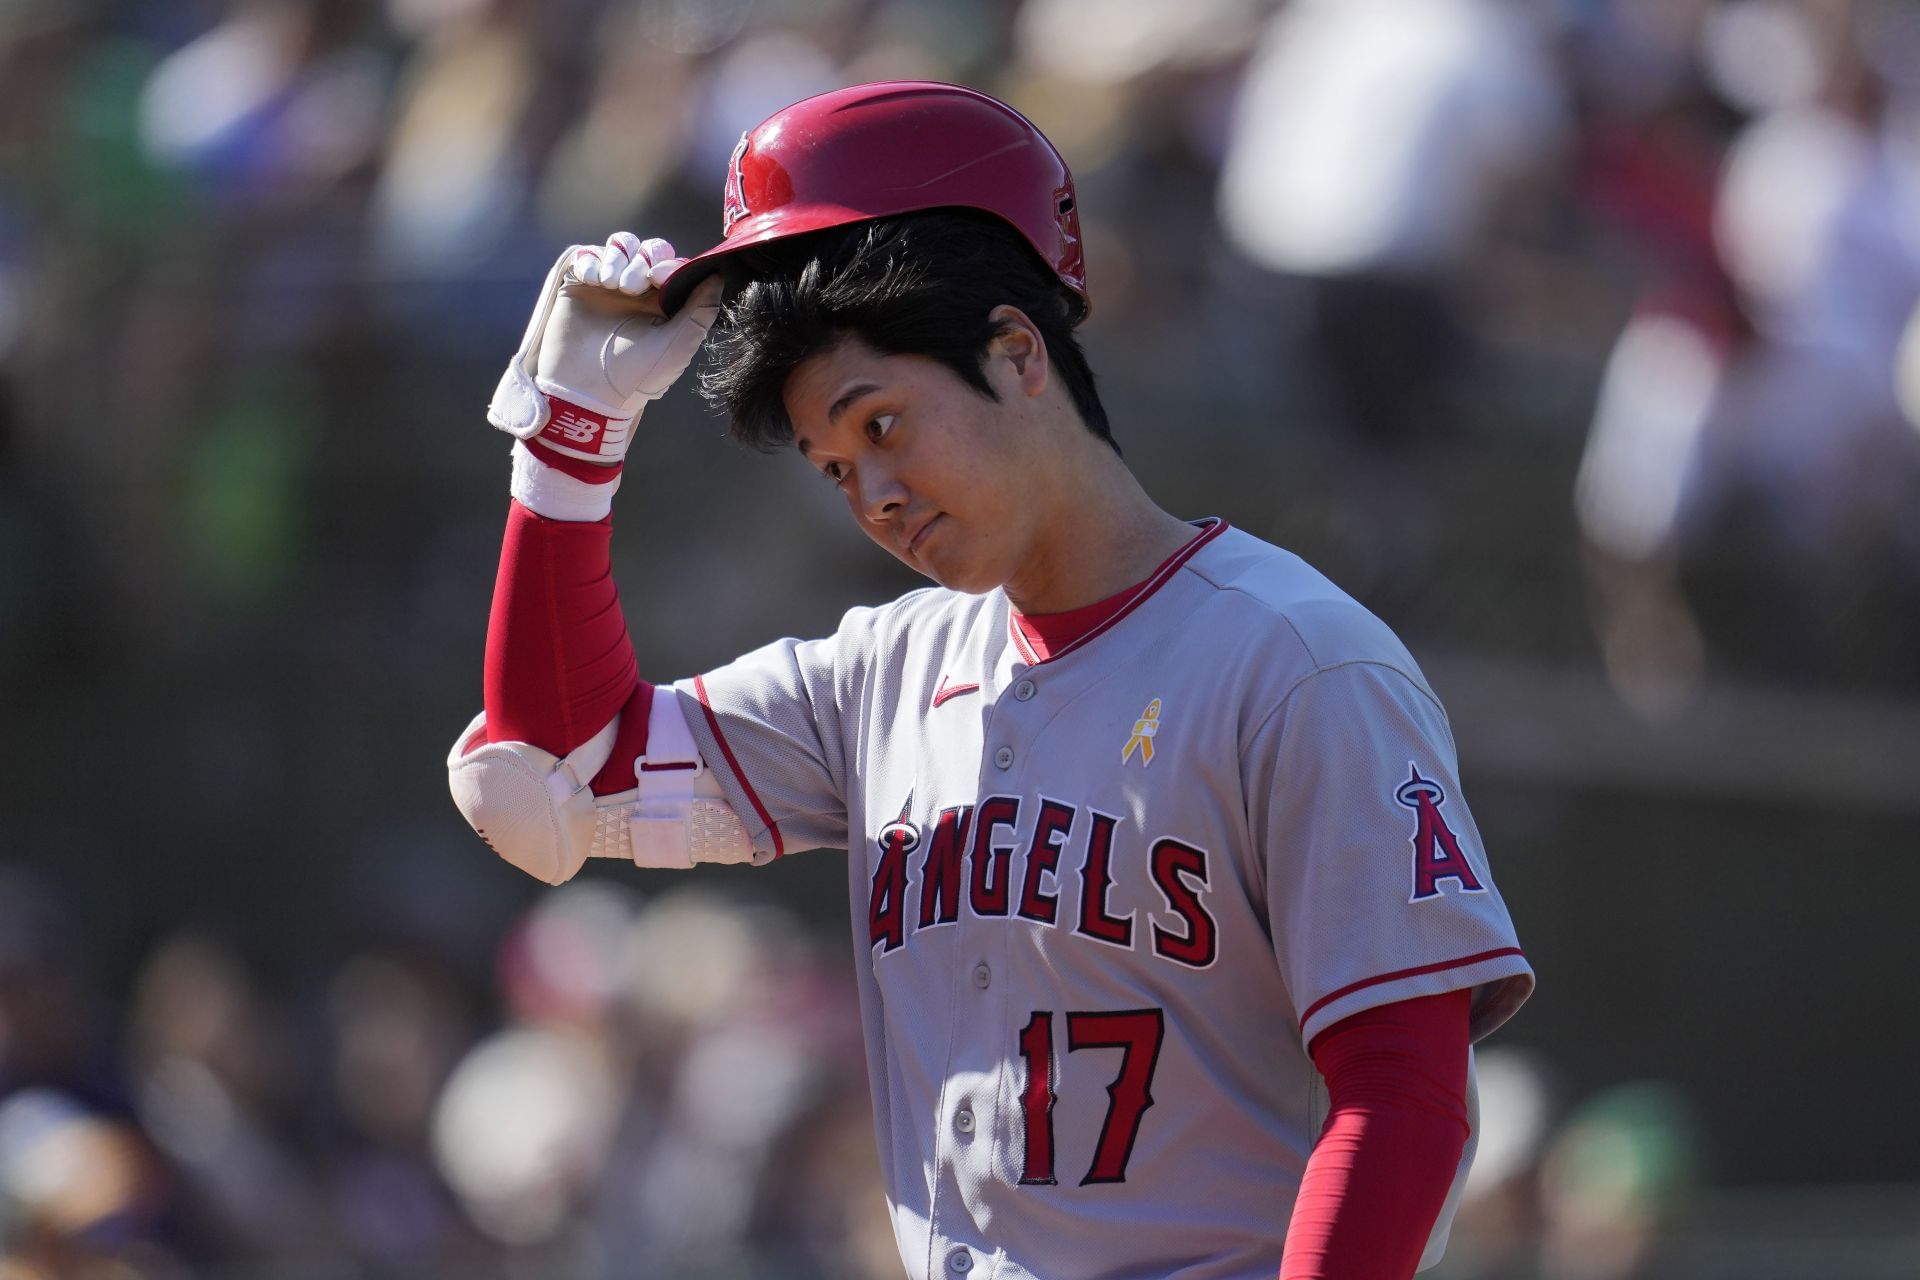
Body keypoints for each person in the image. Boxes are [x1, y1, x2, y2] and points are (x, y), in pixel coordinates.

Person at [448, 81, 1534, 1280]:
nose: (873, 494)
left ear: (1018, 353)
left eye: (883, 425)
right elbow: (550, 775)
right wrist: (568, 445)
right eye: (832, 466)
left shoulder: (1295, 662)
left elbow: (1405, 1093)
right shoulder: (878, 676)